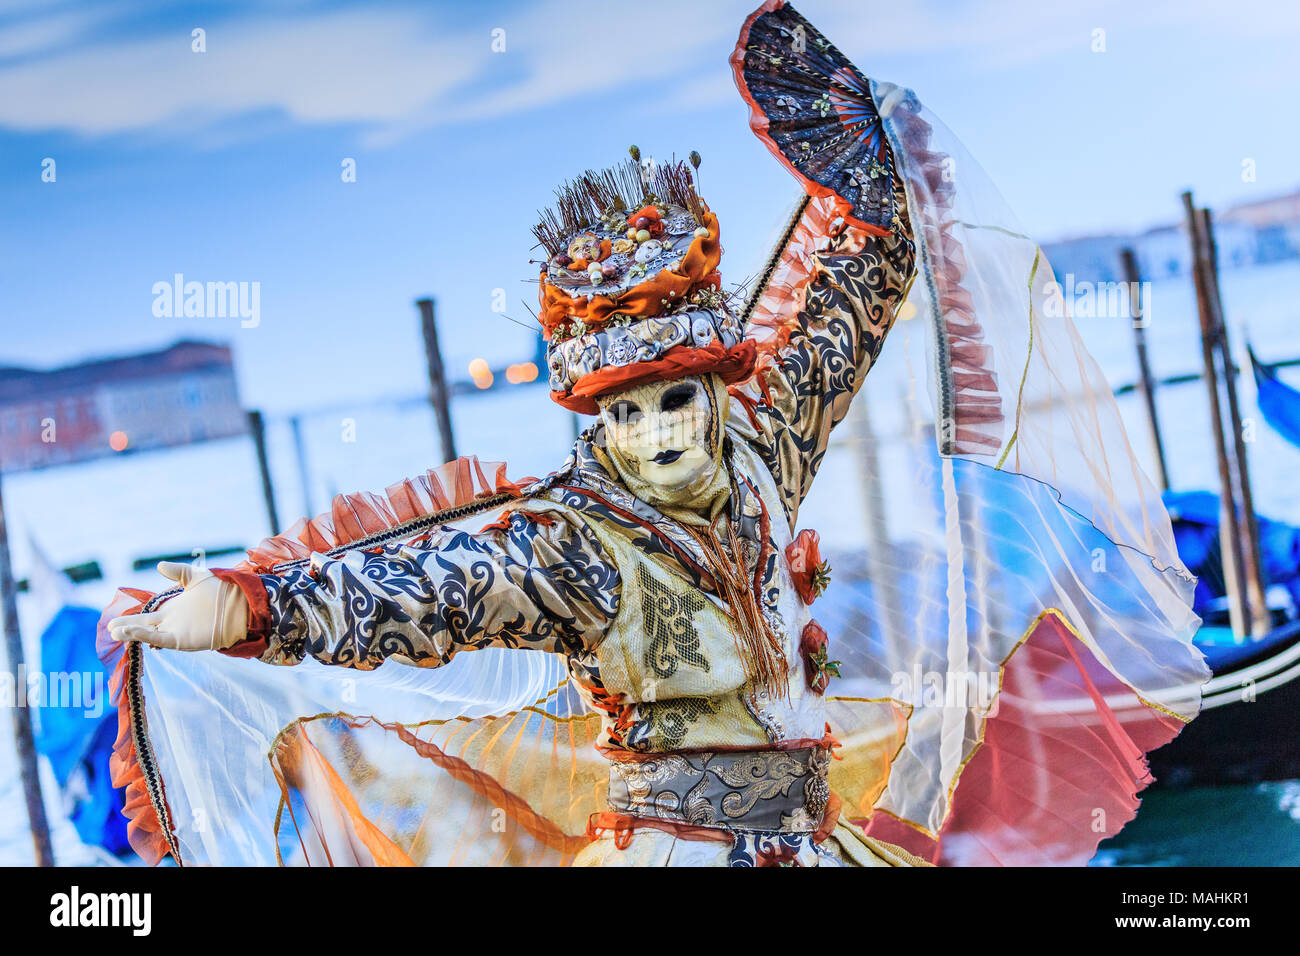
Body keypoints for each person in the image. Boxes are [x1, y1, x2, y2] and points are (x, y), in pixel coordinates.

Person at [105, 1, 1208, 868]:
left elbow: (849, 313)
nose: (655, 433)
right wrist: (258, 607)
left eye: (674, 399)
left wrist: (873, 177)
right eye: (624, 412)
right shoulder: (573, 542)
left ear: (717, 388)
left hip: (810, 842)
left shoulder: (761, 455)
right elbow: (423, 591)